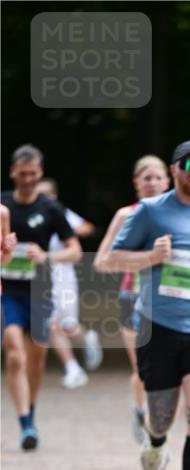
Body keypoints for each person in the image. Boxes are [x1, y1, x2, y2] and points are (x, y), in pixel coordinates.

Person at [103, 141, 190, 470]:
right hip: (159, 328)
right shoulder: (150, 212)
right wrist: (151, 257)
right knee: (161, 418)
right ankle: (155, 442)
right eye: (187, 163)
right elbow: (108, 260)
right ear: (174, 170)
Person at [1, 145, 82, 450]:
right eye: (22, 174)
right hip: (7, 291)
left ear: (40, 172)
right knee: (14, 351)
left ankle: (30, 415)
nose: (28, 179)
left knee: (36, 361)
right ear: (13, 172)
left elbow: (74, 251)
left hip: (40, 292)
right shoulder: (2, 205)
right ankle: (24, 424)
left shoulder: (50, 208)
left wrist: (46, 255)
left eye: (33, 174)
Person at [94, 155, 170, 442]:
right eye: (146, 178)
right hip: (132, 297)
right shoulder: (126, 216)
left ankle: (154, 421)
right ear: (136, 183)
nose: (152, 183)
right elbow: (101, 262)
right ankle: (141, 412)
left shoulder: (178, 214)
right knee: (142, 366)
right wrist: (145, 258)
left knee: (165, 366)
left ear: (167, 181)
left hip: (167, 299)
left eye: (157, 177)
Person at [36, 177, 101, 388]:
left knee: (68, 326)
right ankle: (73, 368)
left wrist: (71, 231)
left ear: (54, 195)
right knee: (51, 324)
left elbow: (87, 228)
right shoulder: (32, 216)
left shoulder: (61, 214)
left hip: (62, 274)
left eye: (46, 194)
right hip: (39, 276)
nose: (42, 198)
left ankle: (88, 338)